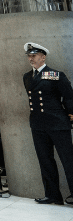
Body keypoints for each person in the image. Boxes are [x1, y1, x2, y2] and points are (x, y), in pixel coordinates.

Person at [24, 42, 73, 205]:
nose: (31, 58)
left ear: (43, 57)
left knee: (68, 160)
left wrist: (71, 115)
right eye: (29, 56)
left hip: (58, 123)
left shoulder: (56, 75)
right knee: (45, 160)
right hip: (38, 125)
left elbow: (69, 97)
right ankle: (52, 195)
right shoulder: (27, 77)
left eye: (34, 56)